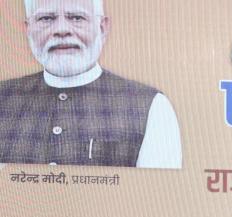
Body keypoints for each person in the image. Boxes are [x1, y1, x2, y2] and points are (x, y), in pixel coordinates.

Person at [0, 0, 181, 168]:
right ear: (28, 29)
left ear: (102, 28)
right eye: (46, 18)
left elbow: (157, 190)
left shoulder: (151, 106)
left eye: (76, 18)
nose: (61, 30)